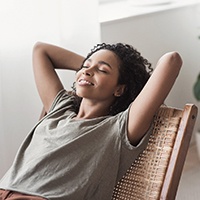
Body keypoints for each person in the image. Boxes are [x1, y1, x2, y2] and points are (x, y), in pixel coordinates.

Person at [0, 42, 182, 200]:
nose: (87, 70)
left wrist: (130, 78)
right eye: (85, 66)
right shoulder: (60, 108)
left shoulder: (118, 129)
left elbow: (171, 60)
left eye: (102, 70)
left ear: (119, 89)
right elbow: (41, 49)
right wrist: (90, 70)